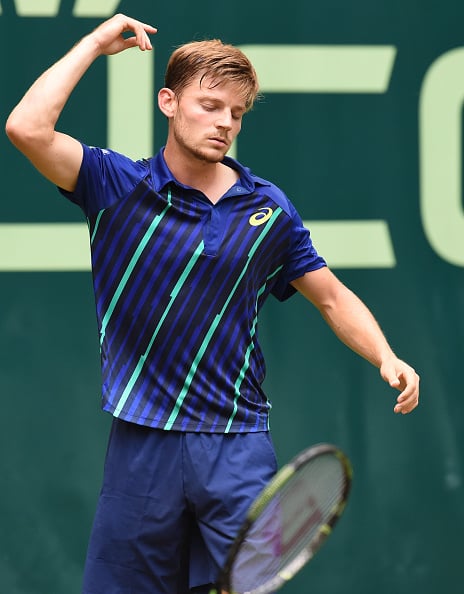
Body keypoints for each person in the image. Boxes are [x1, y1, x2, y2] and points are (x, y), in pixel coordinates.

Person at [5, 13, 420, 594]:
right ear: (168, 101)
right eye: (210, 105)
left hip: (236, 444)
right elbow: (26, 128)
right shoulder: (115, 185)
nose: (224, 123)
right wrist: (97, 44)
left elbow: (328, 295)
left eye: (237, 114)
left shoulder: (267, 208)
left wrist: (385, 354)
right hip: (141, 440)